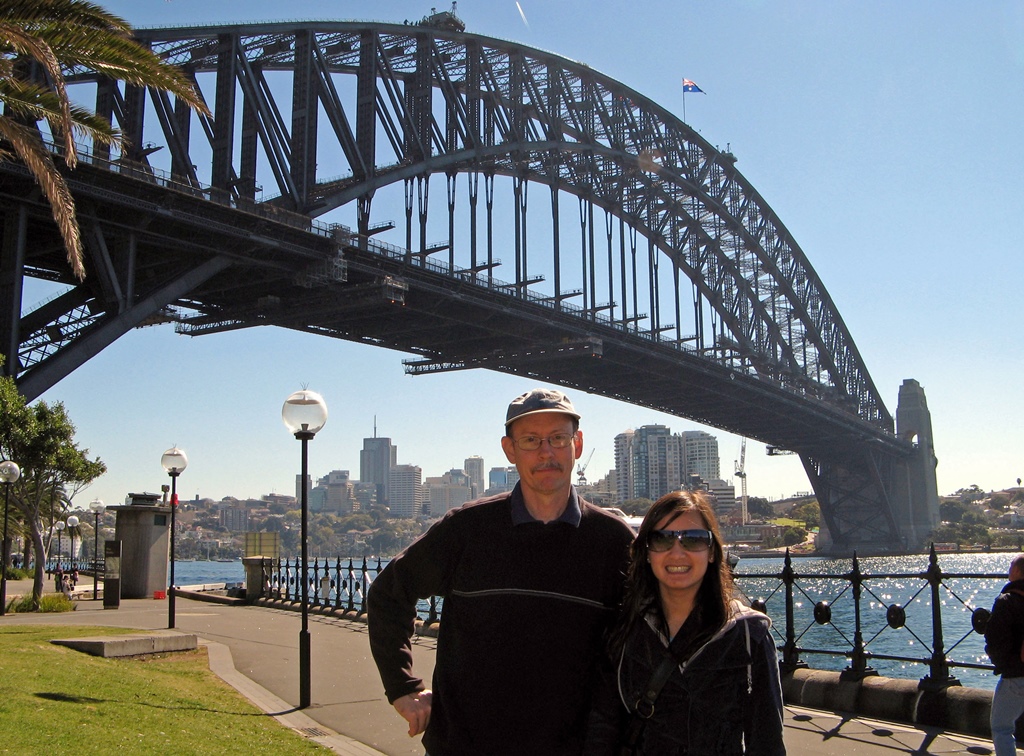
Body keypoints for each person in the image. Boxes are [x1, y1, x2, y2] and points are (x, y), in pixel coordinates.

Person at [367, 388, 635, 755]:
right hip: (465, 746)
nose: (546, 452)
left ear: (578, 443)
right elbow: (387, 594)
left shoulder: (613, 541)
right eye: (530, 440)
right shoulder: (467, 530)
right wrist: (402, 687)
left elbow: (645, 635)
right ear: (509, 450)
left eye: (558, 438)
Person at [585, 490, 786, 755]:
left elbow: (767, 743)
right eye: (661, 539)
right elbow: (602, 734)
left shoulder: (749, 636)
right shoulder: (625, 634)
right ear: (646, 553)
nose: (677, 553)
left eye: (692, 540)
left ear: (713, 552)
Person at [985, 553, 1024, 756]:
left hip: (1016, 673)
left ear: (1017, 571)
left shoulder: (1007, 600)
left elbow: (995, 639)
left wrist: (1000, 662)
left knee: (1001, 727)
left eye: (1011, 565)